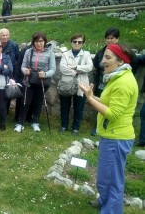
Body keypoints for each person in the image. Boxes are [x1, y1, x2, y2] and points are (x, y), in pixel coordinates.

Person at [79, 43, 137, 214]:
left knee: (112, 181)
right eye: (104, 56)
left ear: (121, 61)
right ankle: (104, 201)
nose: (102, 61)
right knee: (105, 178)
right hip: (110, 136)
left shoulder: (124, 82)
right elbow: (108, 104)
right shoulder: (117, 77)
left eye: (108, 57)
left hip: (117, 138)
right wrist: (92, 96)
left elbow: (113, 114)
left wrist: (91, 101)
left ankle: (111, 210)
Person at [15, 31, 56, 132]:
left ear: (44, 41)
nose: (39, 43)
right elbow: (23, 65)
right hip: (29, 81)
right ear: (33, 42)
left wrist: (45, 74)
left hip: (42, 81)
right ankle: (20, 123)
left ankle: (35, 122)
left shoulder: (50, 53)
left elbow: (53, 69)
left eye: (41, 41)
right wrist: (25, 71)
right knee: (25, 102)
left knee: (38, 102)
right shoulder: (29, 52)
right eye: (36, 41)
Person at [59, 33, 93, 135]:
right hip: (67, 83)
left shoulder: (86, 54)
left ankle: (75, 128)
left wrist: (76, 67)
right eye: (75, 41)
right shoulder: (65, 54)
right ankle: (64, 126)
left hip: (81, 84)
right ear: (71, 42)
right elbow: (62, 68)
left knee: (79, 107)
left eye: (79, 42)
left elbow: (89, 67)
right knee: (65, 106)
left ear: (82, 43)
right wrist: (76, 72)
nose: (77, 44)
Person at [91, 28, 120, 136]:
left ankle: (110, 125)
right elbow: (96, 65)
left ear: (117, 39)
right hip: (101, 83)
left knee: (112, 104)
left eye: (112, 38)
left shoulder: (121, 53)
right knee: (100, 102)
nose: (109, 40)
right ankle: (98, 125)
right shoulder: (100, 52)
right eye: (107, 38)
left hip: (114, 83)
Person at [0, 28, 19, 117]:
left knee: (8, 92)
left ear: (9, 35)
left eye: (6, 35)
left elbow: (17, 59)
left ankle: (5, 111)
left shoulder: (14, 45)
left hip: (10, 72)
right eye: (3, 35)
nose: (5, 37)